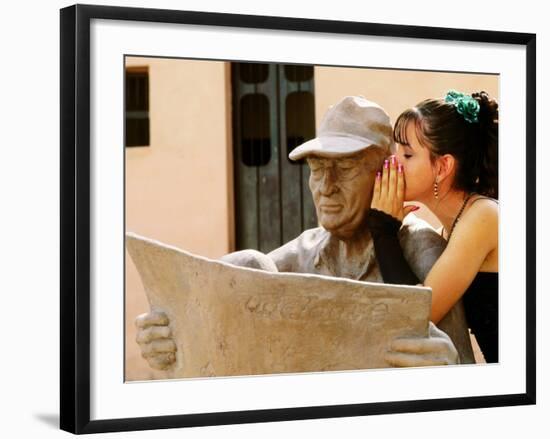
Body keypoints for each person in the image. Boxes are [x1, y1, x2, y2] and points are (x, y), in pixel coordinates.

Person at [135, 96, 464, 371]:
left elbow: (462, 366)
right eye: (317, 169)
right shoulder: (300, 254)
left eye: (345, 168)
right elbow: (207, 315)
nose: (326, 187)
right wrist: (172, 332)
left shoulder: (422, 249)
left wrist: (447, 368)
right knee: (247, 264)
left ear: (385, 175)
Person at [366, 90, 499, 363]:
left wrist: (382, 230)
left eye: (407, 154)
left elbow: (418, 317)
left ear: (442, 167)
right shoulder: (448, 232)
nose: (393, 163)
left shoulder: (484, 217)